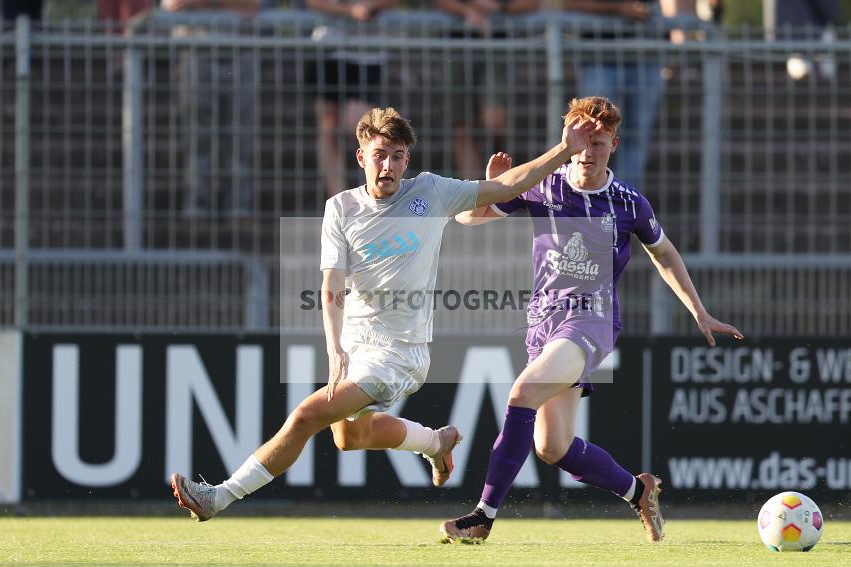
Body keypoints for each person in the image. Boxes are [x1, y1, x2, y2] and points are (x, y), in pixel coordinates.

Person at [170, 106, 600, 521]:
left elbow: (505, 188)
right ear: (361, 157)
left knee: (306, 416)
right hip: (356, 347)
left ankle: (219, 496)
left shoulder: (429, 192)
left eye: (397, 157)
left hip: (399, 352)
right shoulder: (340, 208)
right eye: (379, 156)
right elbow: (332, 286)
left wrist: (564, 151)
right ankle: (436, 442)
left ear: (406, 159)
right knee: (348, 437)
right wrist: (335, 348)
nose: (388, 166)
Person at [440, 96, 743, 543]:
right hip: (543, 324)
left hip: (590, 323)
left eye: (597, 142)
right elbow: (468, 218)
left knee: (522, 392)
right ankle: (637, 490)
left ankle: (482, 517)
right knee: (552, 447)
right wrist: (493, 187)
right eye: (580, 140)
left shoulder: (628, 203)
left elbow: (665, 255)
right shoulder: (543, 184)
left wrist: (699, 312)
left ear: (613, 144)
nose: (587, 150)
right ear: (567, 138)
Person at [566, 0, 684, 192]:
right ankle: (590, 199)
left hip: (648, 57)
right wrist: (617, 8)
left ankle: (622, 205)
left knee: (636, 138)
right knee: (592, 132)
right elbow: (570, 4)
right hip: (600, 56)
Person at [162, 0, 260, 216]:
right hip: (195, 51)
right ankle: (196, 206)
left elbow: (252, 6)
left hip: (241, 51)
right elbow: (173, 5)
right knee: (197, 138)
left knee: (240, 139)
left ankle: (239, 207)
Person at [435, 0, 540, 180]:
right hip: (455, 45)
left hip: (497, 46)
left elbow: (533, 3)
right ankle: (471, 197)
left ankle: (501, 187)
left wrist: (499, 7)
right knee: (461, 124)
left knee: (494, 120)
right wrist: (468, 10)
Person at [306, 0, 398, 199]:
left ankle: (372, 193)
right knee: (328, 124)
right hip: (328, 50)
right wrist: (348, 10)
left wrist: (369, 7)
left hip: (367, 54)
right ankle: (337, 201)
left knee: (357, 125)